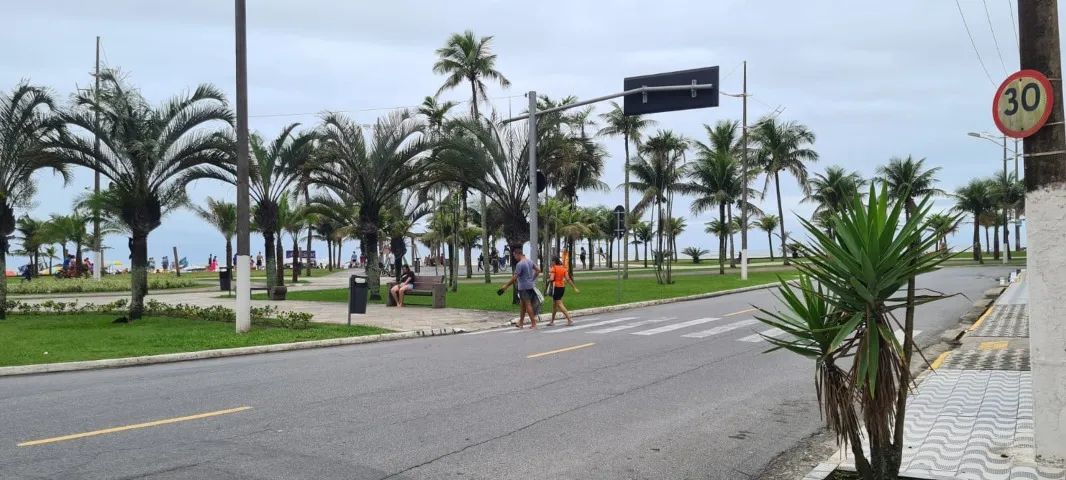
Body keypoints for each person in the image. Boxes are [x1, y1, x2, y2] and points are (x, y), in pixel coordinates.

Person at [497, 246, 541, 329]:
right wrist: (532, 279)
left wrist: (506, 286)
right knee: (522, 306)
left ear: (518, 254)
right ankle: (521, 323)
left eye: (514, 256)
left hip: (523, 288)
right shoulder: (529, 261)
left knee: (527, 305)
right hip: (530, 286)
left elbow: (514, 277)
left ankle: (534, 324)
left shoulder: (520, 264)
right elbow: (538, 270)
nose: (514, 258)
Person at [547, 256, 580, 326]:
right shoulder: (563, 268)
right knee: (554, 305)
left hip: (556, 288)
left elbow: (552, 278)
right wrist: (574, 288)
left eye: (552, 261)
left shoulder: (554, 268)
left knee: (559, 304)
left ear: (554, 262)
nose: (551, 263)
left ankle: (570, 320)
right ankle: (552, 321)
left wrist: (548, 279)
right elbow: (568, 279)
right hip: (562, 288)